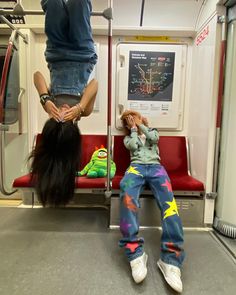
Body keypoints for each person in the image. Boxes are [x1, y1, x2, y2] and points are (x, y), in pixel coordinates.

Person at [29, 0, 98, 207]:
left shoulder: (48, 106)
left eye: (58, 117)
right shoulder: (83, 111)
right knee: (78, 3)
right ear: (72, 125)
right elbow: (94, 84)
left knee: (53, 4)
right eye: (66, 119)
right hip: (82, 53)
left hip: (56, 53)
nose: (63, 111)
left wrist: (45, 97)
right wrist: (78, 107)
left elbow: (37, 75)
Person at [119, 110, 185, 293]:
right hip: (136, 168)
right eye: (128, 121)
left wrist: (141, 125)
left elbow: (154, 138)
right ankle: (134, 251)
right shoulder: (128, 138)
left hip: (156, 168)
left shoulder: (151, 131)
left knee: (169, 205)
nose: (132, 121)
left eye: (134, 117)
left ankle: (170, 259)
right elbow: (132, 146)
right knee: (126, 193)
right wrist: (132, 129)